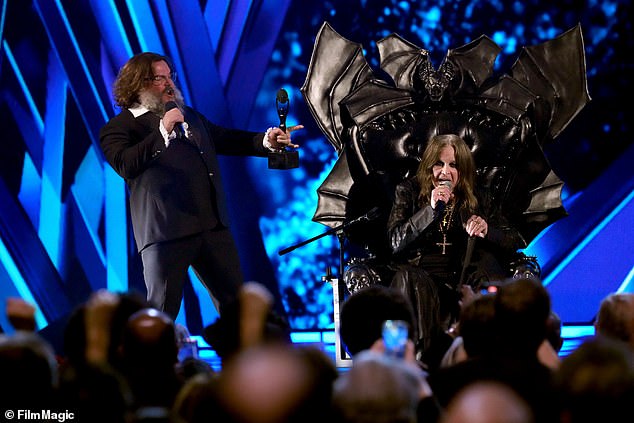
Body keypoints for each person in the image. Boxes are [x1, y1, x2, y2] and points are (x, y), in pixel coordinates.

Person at [99, 52, 302, 320]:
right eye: (159, 78)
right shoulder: (120, 127)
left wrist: (266, 141)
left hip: (211, 226)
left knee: (238, 311)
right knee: (161, 312)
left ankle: (243, 361)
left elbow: (224, 139)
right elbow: (126, 164)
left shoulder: (188, 116)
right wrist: (163, 131)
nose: (169, 84)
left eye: (169, 76)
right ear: (137, 83)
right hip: (165, 233)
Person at [387, 133, 526, 366]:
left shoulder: (479, 196)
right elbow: (394, 243)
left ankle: (494, 360)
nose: (444, 172)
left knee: (488, 272)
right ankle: (420, 361)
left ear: (462, 170)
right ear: (429, 166)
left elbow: (515, 240)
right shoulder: (408, 191)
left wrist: (487, 229)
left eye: (453, 165)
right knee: (409, 278)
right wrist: (429, 211)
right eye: (439, 164)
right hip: (422, 277)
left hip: (461, 276)